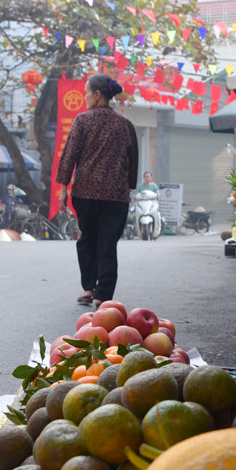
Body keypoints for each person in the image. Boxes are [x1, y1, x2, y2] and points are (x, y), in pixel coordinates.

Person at [55, 73, 139, 308]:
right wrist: (129, 186)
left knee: (87, 239)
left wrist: (64, 188)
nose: (84, 97)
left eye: (86, 93)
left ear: (97, 95)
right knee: (108, 244)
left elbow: (69, 154)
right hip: (116, 196)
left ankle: (89, 288)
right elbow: (133, 161)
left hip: (86, 192)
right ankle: (103, 295)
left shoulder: (82, 121)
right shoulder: (126, 125)